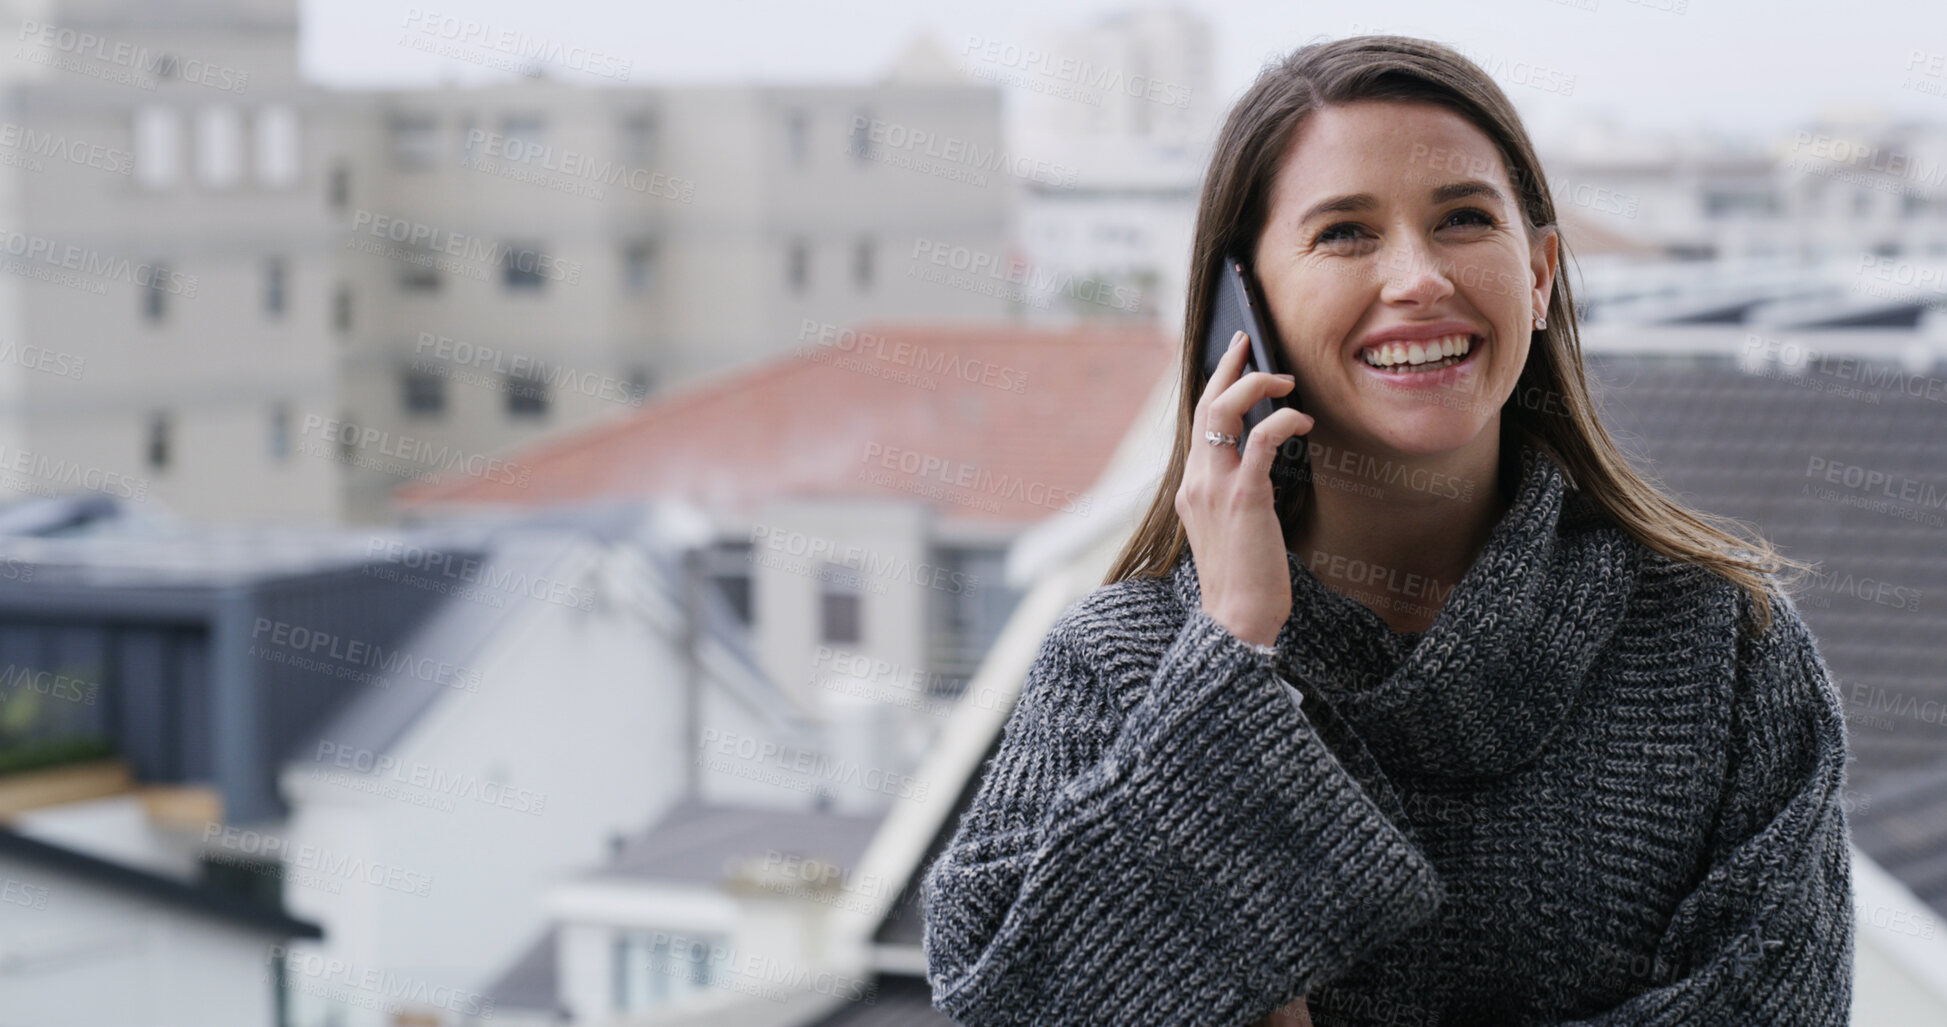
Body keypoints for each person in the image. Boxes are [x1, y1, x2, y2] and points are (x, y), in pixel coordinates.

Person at [918, 34, 1855, 1027]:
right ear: (1247, 304)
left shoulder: (1723, 646)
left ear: (1538, 273)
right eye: (1345, 234)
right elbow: (1006, 1002)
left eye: (1462, 219)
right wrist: (1228, 649)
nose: (1417, 278)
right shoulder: (1121, 665)